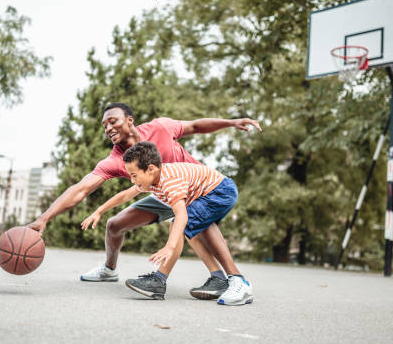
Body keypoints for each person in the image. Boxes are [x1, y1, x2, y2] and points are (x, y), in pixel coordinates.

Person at [28, 102, 261, 299]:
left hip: (194, 187)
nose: (108, 127)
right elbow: (81, 189)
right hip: (160, 191)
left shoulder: (160, 128)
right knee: (114, 225)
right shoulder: (117, 160)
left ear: (130, 121)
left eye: (113, 121)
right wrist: (44, 218)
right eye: (104, 125)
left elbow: (195, 126)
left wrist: (231, 122)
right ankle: (109, 269)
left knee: (192, 222)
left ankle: (233, 279)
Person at [81, 141, 253, 306]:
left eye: (134, 175)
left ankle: (160, 280)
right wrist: (99, 211)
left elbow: (181, 215)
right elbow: (126, 195)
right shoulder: (152, 178)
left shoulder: (169, 181)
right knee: (191, 231)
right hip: (211, 191)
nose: (132, 181)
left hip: (220, 192)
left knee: (179, 225)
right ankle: (218, 279)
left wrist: (170, 246)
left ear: (150, 169)